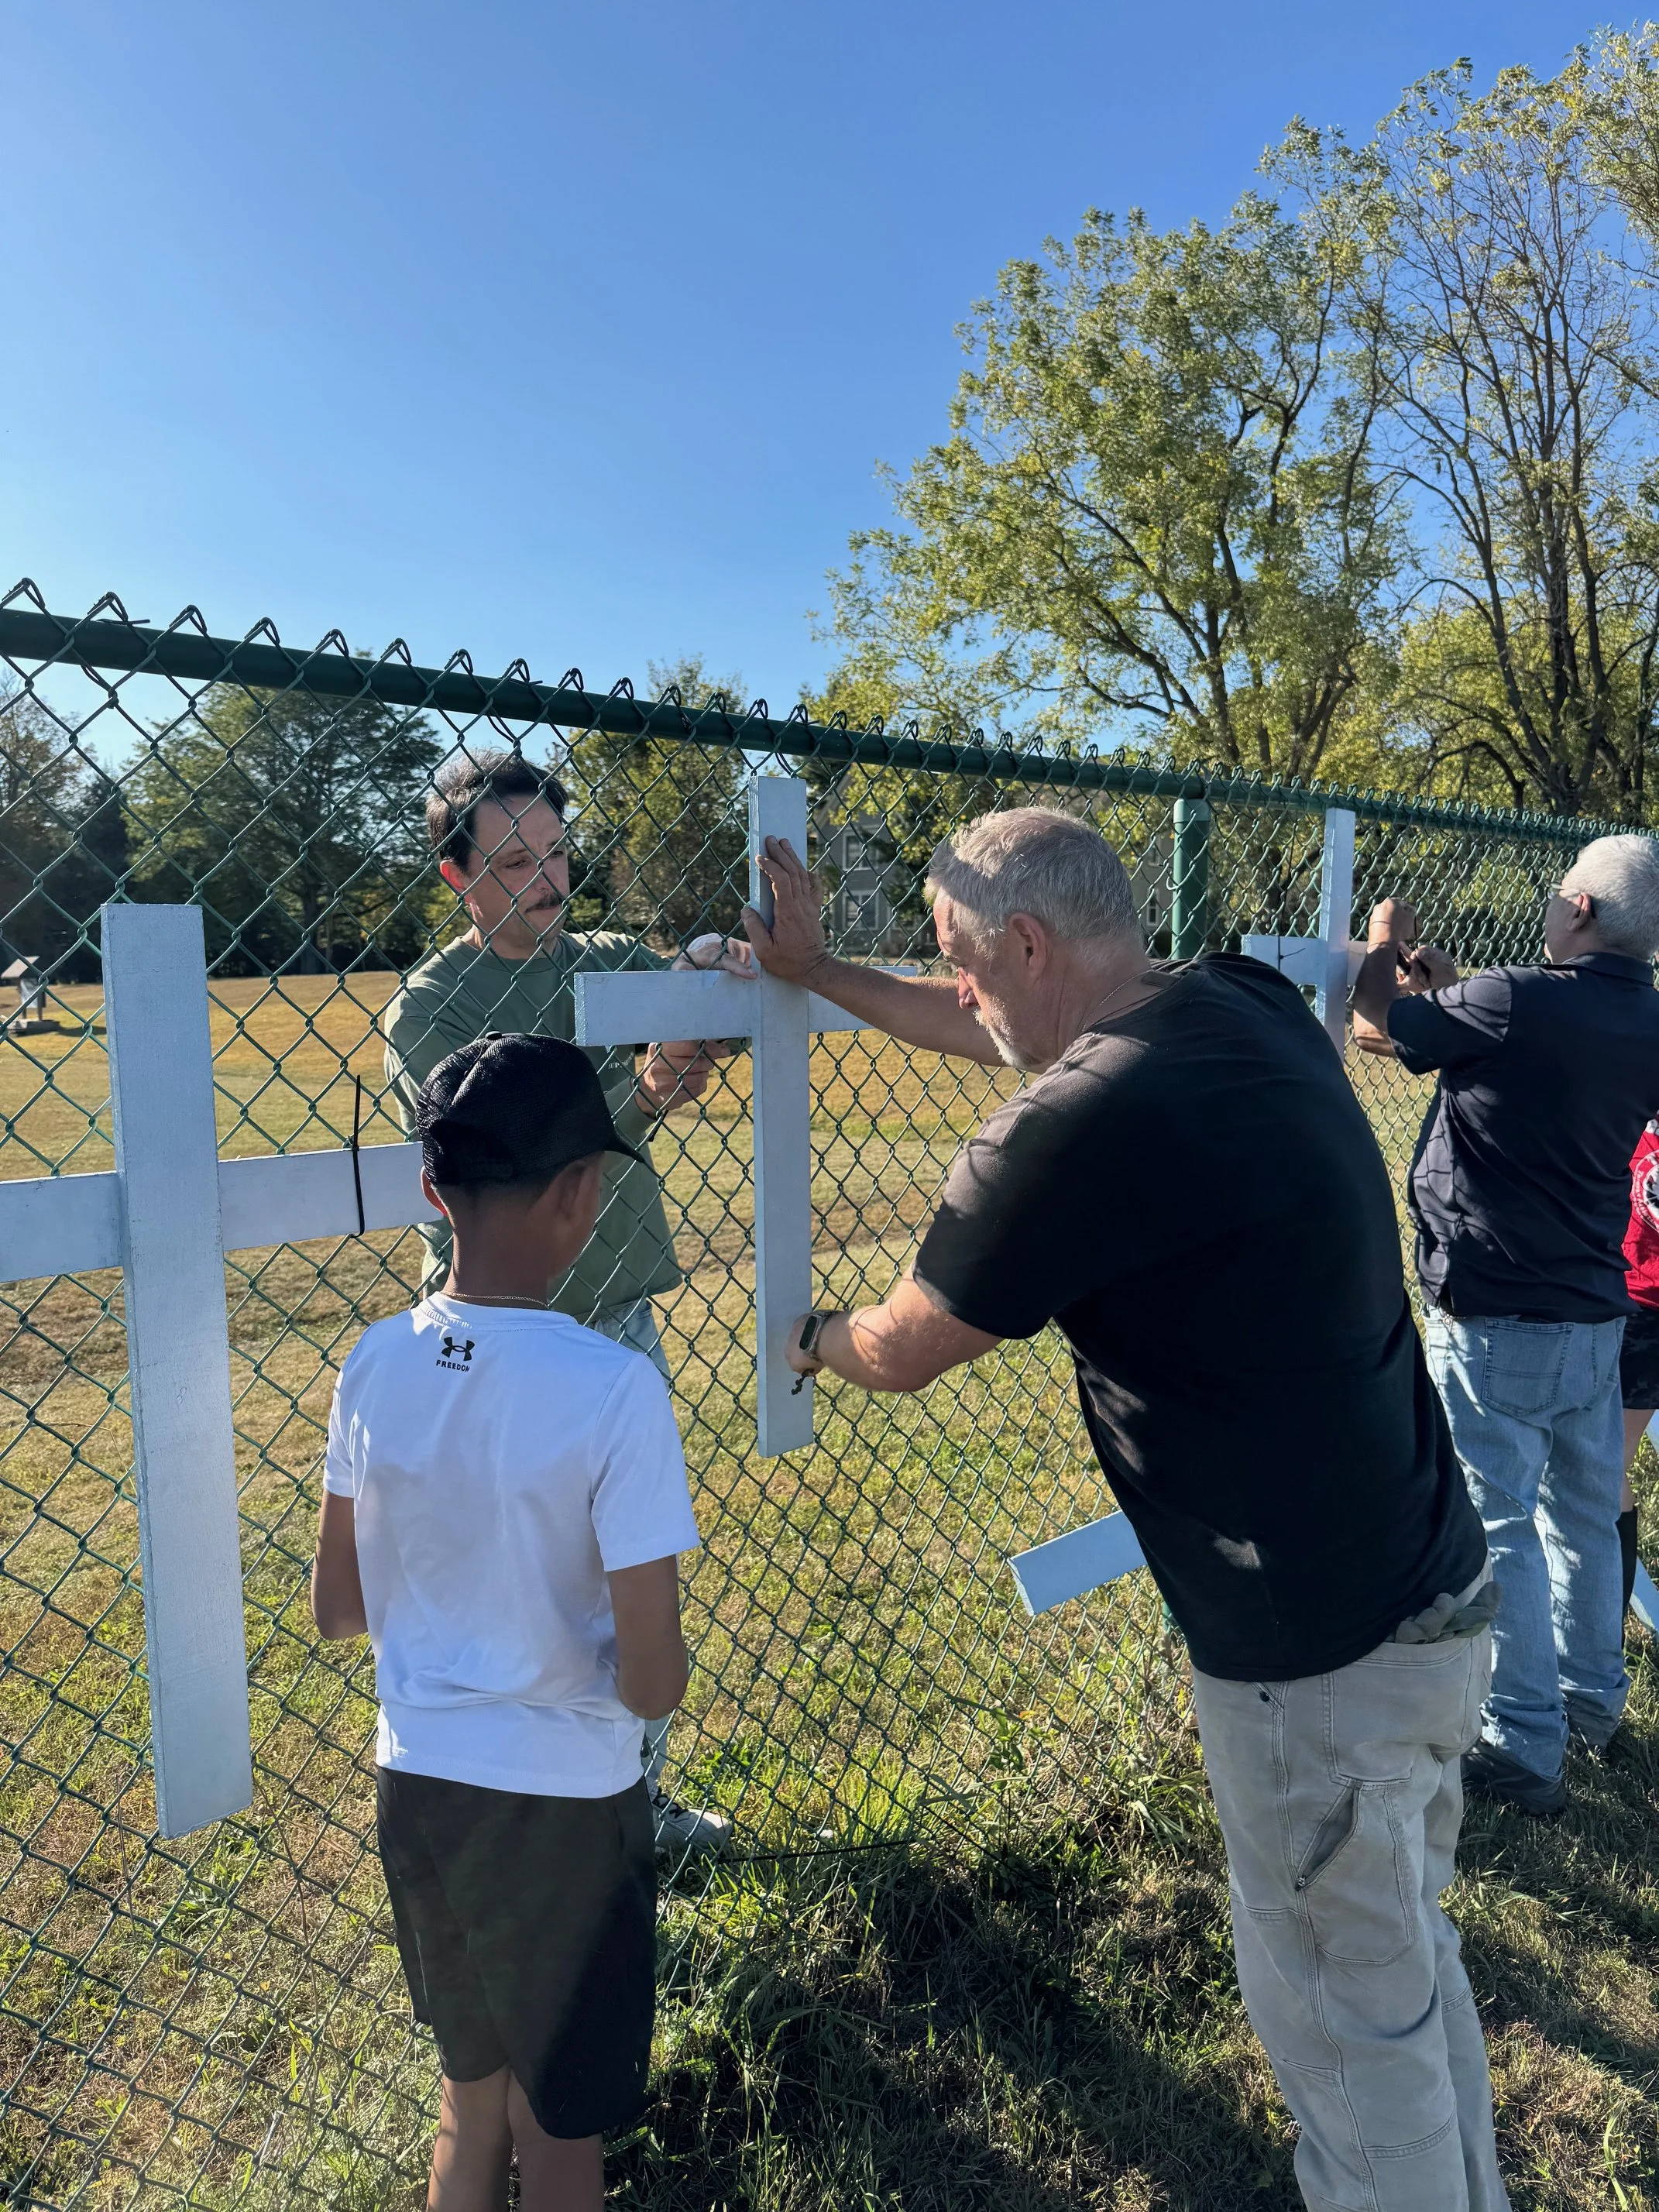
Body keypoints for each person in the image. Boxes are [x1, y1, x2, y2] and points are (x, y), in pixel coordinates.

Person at [747, 808, 1507, 2212]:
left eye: (961, 963)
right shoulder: (1239, 1002)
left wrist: (804, 1336)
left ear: (1027, 942)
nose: (958, 992)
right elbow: (999, 1027)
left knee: (1343, 2030)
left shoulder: (1070, 1127)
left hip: (1312, 1659)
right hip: (1427, 1582)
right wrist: (822, 975)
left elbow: (907, 1345)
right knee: (1400, 1968)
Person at [311, 1033, 702, 2212]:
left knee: (468, 2098)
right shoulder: (614, 1390)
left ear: (434, 1191)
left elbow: (338, 1609)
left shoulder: (371, 1365)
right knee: (564, 2130)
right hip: (566, 1817)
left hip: (418, 1783)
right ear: (583, 1194)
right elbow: (650, 1684)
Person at [384, 747, 746, 1854]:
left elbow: (703, 1043)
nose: (549, 877)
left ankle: (634, 1803)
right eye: (513, 858)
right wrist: (644, 1084)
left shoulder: (598, 958)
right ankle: (538, 1815)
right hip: (508, 1330)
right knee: (529, 1580)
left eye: (556, 851)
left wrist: (708, 982)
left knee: (627, 1570)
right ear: (455, 877)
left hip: (618, 1313)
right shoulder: (430, 1007)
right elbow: (526, 1162)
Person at [1352, 836, 1659, 1816]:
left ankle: (1525, 1745)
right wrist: (1454, 994)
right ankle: (1592, 1705)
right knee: (1581, 1514)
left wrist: (1385, 935)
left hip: (1498, 1309)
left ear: (1579, 908)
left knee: (1502, 1524)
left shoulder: (1518, 997)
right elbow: (1469, 1038)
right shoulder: (1643, 1016)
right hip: (1595, 1312)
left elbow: (1378, 1013)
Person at [1618, 1120, 1658, 1626]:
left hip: (1643, 1305)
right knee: (1606, 1468)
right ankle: (1607, 1636)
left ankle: (1602, 1641)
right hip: (1623, 1301)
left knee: (1606, 1470)